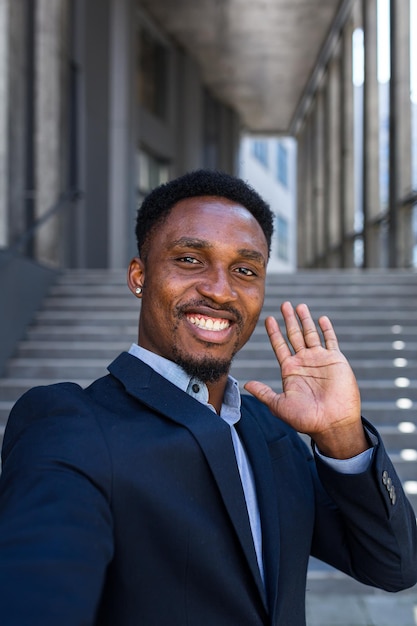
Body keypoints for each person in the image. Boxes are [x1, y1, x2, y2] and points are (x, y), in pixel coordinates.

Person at [0, 169, 416, 626]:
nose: (220, 289)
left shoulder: (271, 428)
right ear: (139, 275)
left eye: (244, 270)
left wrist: (342, 435)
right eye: (190, 259)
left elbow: (393, 566)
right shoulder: (70, 426)